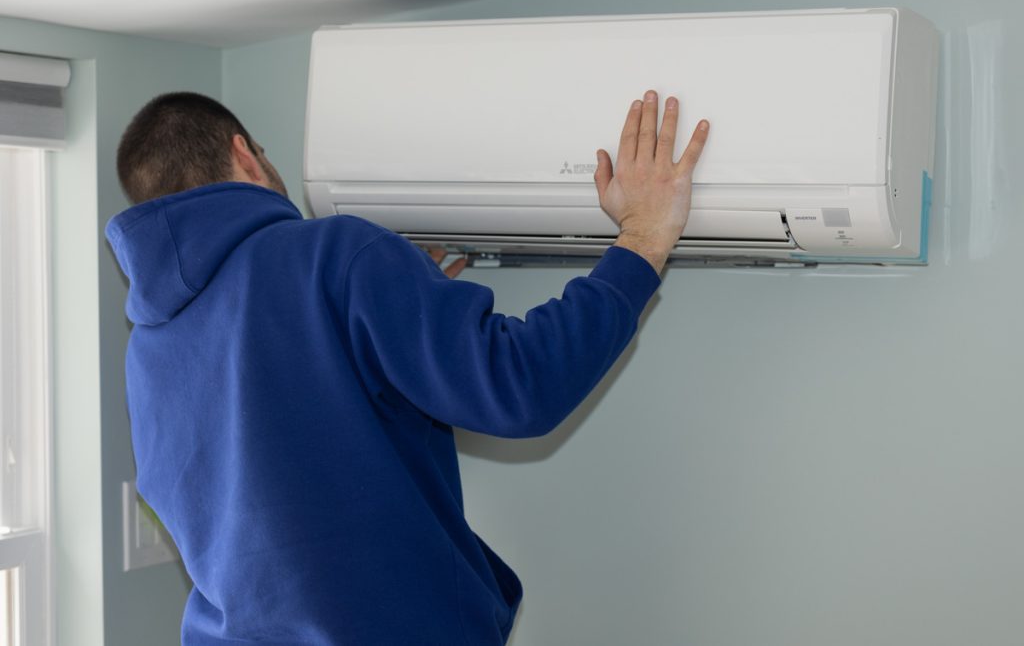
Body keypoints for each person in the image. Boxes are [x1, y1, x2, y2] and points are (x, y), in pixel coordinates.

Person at [106, 89, 709, 645]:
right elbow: (519, 385)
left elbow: (264, 466)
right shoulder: (333, 254)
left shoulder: (149, 345)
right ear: (245, 153)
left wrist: (395, 303)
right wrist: (643, 240)